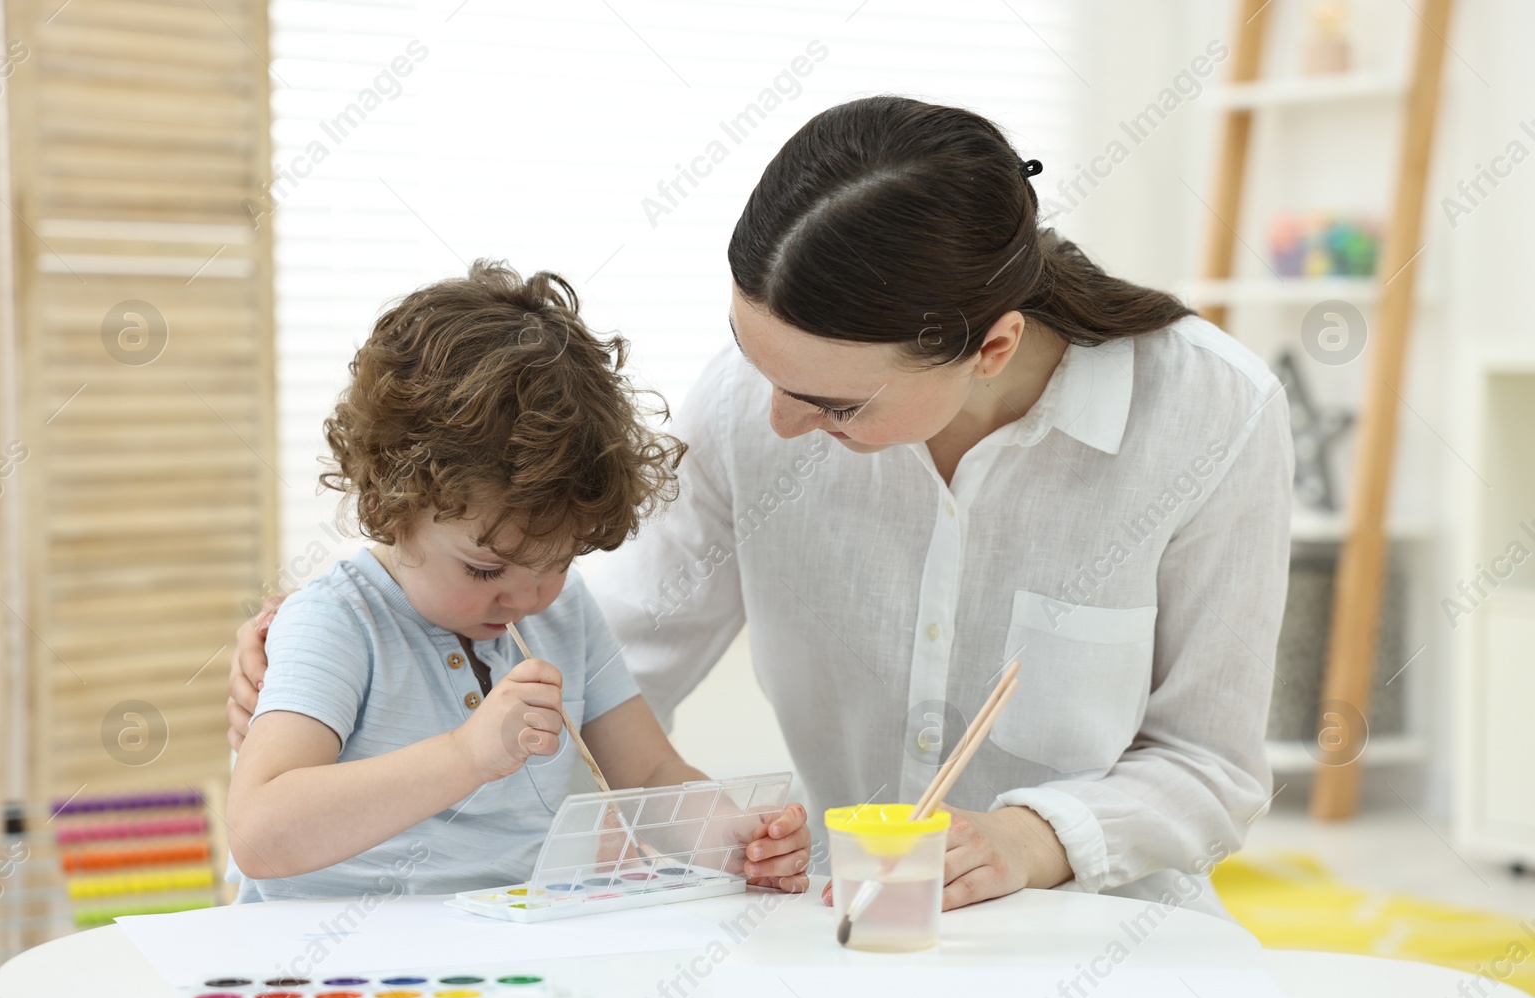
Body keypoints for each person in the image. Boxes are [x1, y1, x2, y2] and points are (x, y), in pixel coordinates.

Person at [229, 97, 1291, 916]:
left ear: (992, 348)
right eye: (755, 363)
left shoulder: (1209, 415)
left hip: (1088, 929)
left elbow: (1209, 764)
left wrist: (1025, 839)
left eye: (832, 403)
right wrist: (353, 692)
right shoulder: (748, 407)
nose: (773, 423)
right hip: (834, 923)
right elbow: (610, 663)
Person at [226, 262, 810, 902]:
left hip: (500, 959)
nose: (527, 598)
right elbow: (259, 835)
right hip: (335, 973)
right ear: (392, 508)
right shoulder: (335, 624)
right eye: (485, 569)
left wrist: (738, 838)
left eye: (558, 564)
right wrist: (466, 755)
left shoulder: (561, 615)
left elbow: (648, 769)